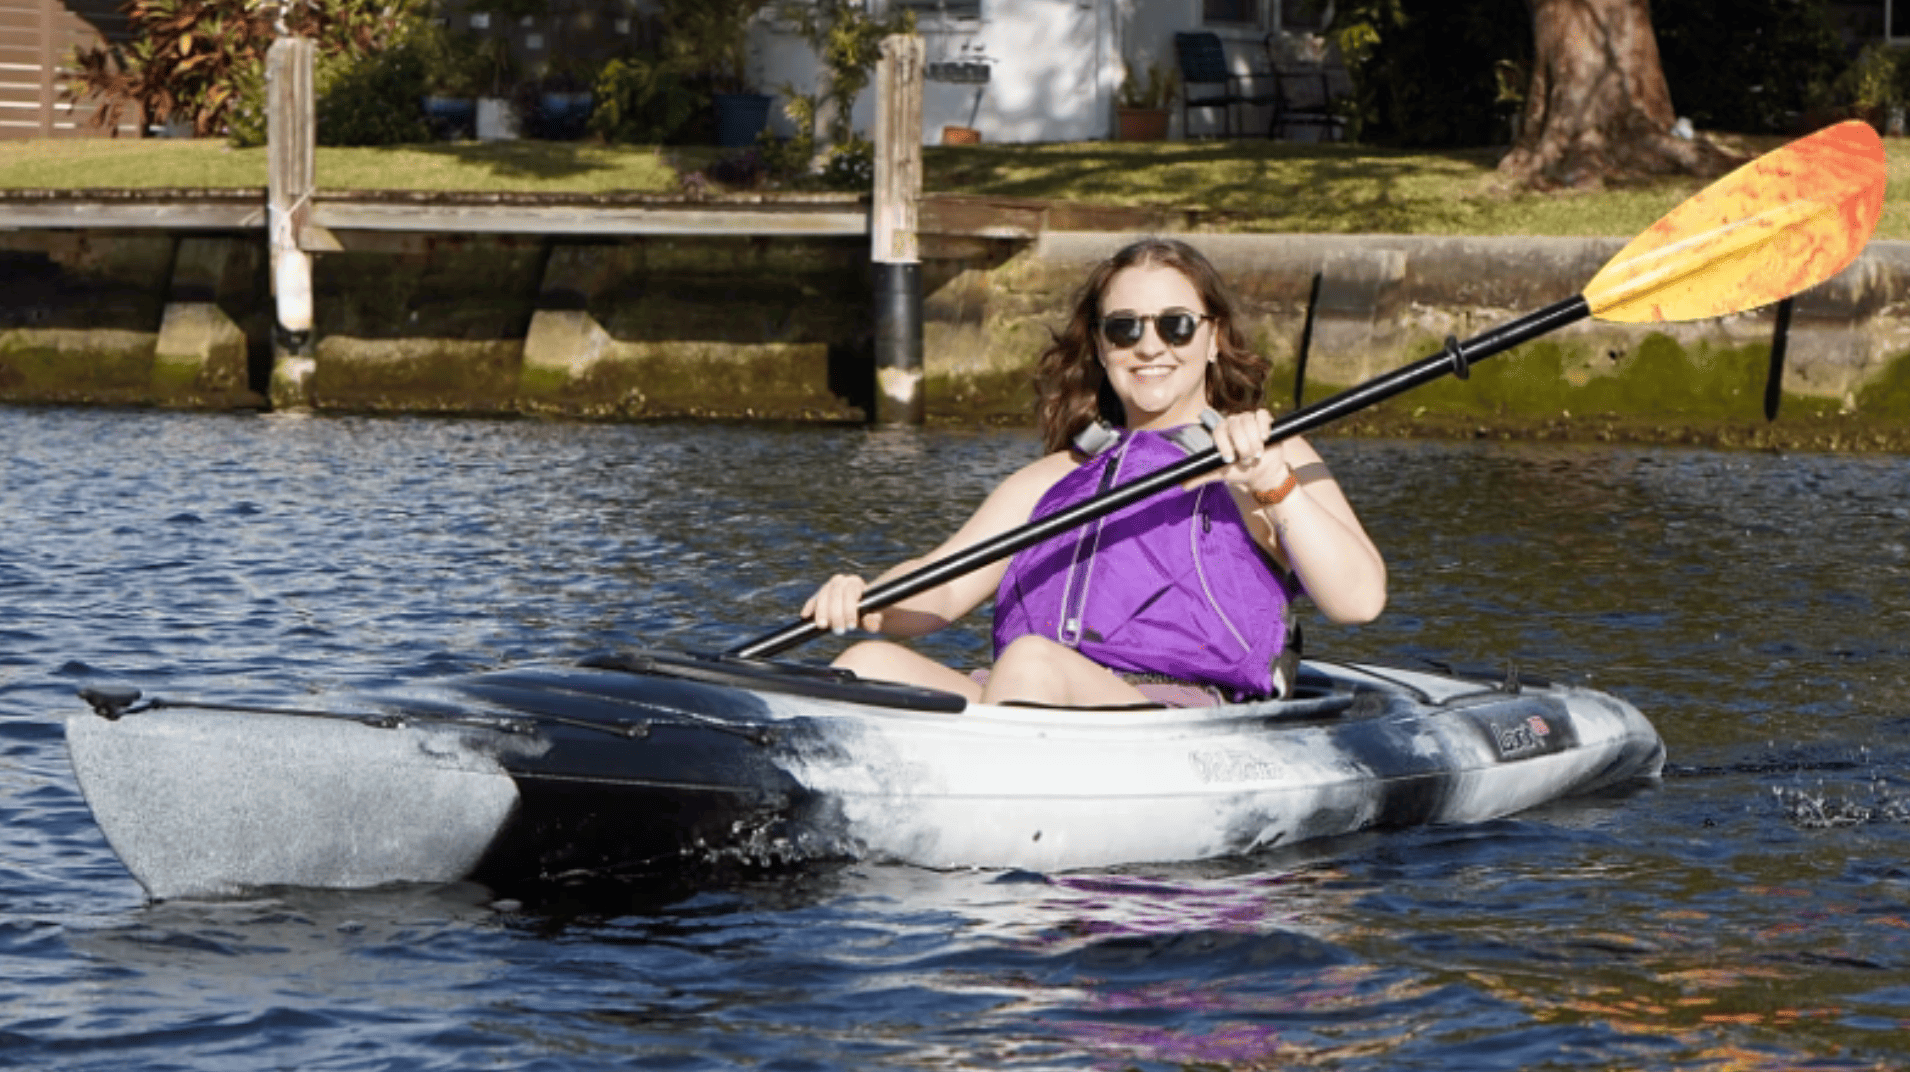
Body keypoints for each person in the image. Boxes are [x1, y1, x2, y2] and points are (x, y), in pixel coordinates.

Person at [803, 237, 1385, 707]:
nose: (1150, 346)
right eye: (1124, 328)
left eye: (1176, 325)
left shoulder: (1267, 452)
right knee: (863, 664)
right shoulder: (1052, 478)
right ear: (1103, 349)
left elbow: (1359, 601)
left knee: (1031, 663)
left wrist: (1274, 487)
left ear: (1213, 339)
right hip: (1026, 699)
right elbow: (946, 583)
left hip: (1174, 716)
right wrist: (869, 600)